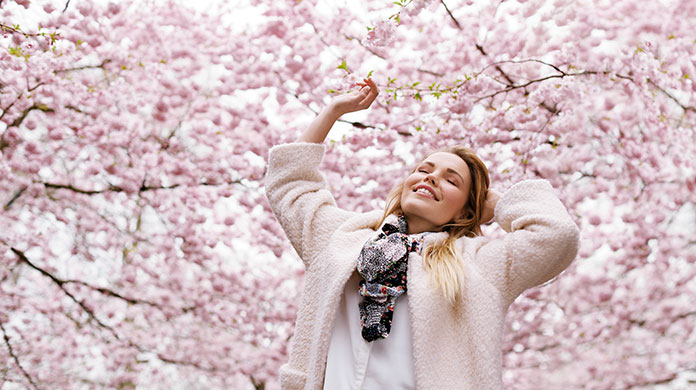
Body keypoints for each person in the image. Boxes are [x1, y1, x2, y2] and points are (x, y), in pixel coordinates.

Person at [264, 78, 579, 390]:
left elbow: (557, 235)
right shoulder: (345, 238)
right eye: (424, 170)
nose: (430, 179)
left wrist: (495, 204)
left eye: (451, 181)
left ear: (467, 211)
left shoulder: (480, 263)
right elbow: (291, 185)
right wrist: (332, 111)